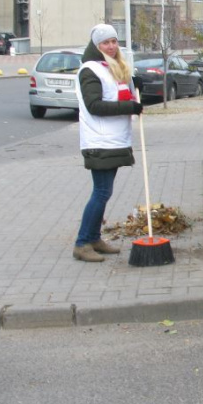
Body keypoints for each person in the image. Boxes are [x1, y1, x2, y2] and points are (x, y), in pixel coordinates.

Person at [73, 23, 144, 262]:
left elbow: (116, 93)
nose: (111, 46)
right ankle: (82, 243)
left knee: (104, 192)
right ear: (96, 46)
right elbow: (95, 105)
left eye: (114, 41)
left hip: (113, 140)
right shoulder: (90, 70)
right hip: (99, 141)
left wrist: (135, 86)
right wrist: (129, 106)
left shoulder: (111, 67)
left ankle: (93, 238)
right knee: (101, 192)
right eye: (106, 43)